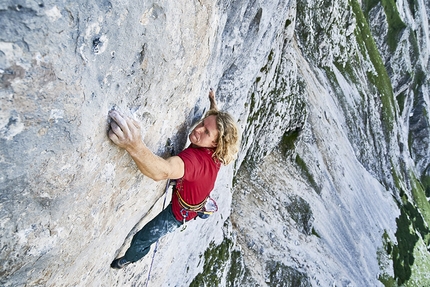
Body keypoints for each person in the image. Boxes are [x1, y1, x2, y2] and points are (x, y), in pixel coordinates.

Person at [108, 89, 240, 269]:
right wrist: (213, 102)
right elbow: (213, 121)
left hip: (178, 213)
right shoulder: (217, 147)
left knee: (142, 238)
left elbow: (162, 172)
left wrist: (134, 145)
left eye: (206, 131)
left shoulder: (196, 162)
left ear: (215, 143)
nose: (198, 129)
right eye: (202, 122)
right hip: (193, 195)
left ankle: (128, 259)